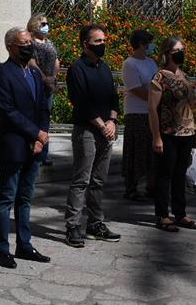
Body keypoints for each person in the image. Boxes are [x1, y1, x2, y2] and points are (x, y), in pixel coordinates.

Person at [0, 27, 51, 270]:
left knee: (25, 198)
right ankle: (2, 249)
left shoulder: (34, 73)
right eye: (23, 43)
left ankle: (24, 244)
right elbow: (8, 111)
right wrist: (35, 132)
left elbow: (43, 107)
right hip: (14, 145)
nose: (28, 46)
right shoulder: (3, 74)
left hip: (36, 146)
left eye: (29, 42)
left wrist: (41, 136)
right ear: (10, 47)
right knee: (7, 197)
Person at [63, 24, 122, 247]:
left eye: (104, 40)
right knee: (82, 180)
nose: (103, 44)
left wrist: (113, 121)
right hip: (87, 130)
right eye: (98, 41)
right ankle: (73, 226)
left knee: (99, 181)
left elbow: (113, 98)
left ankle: (96, 223)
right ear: (85, 44)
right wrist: (101, 124)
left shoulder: (104, 68)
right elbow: (81, 102)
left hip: (106, 130)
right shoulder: (77, 69)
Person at [148, 36, 196, 232]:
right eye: (177, 50)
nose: (181, 52)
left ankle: (180, 213)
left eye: (183, 49)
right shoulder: (159, 77)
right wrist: (156, 136)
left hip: (187, 132)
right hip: (167, 133)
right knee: (165, 175)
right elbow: (152, 109)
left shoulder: (183, 75)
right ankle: (162, 215)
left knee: (180, 174)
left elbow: (191, 103)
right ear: (167, 53)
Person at [121, 29, 157, 201]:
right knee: (136, 150)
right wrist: (154, 98)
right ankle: (132, 186)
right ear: (142, 44)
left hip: (151, 112)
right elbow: (135, 88)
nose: (152, 46)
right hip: (137, 112)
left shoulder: (151, 62)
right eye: (149, 43)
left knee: (152, 151)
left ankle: (152, 185)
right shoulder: (130, 64)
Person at [27, 13, 59, 166]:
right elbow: (31, 62)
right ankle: (33, 150)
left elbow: (56, 60)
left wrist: (53, 77)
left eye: (46, 23)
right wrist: (43, 78)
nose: (46, 26)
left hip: (49, 85)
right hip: (36, 82)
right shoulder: (32, 43)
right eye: (43, 24)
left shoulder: (50, 42)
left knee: (45, 119)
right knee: (35, 118)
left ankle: (44, 153)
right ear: (35, 25)